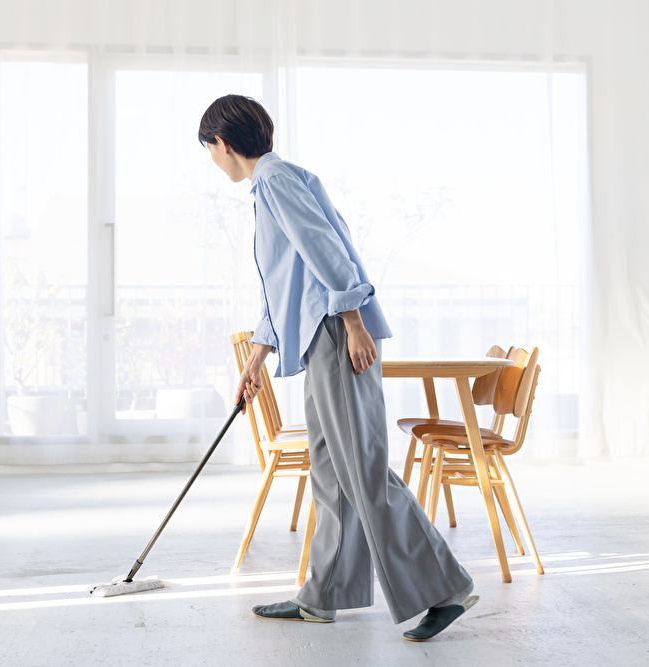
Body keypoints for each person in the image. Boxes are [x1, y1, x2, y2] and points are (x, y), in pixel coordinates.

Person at [199, 94, 477, 642]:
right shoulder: (276, 181)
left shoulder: (276, 182)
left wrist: (352, 323)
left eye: (209, 149)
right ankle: (323, 595)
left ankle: (446, 588)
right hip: (319, 337)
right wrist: (258, 354)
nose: (212, 158)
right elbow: (287, 282)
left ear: (223, 144)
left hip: (335, 333)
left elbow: (326, 250)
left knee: (362, 469)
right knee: (331, 471)